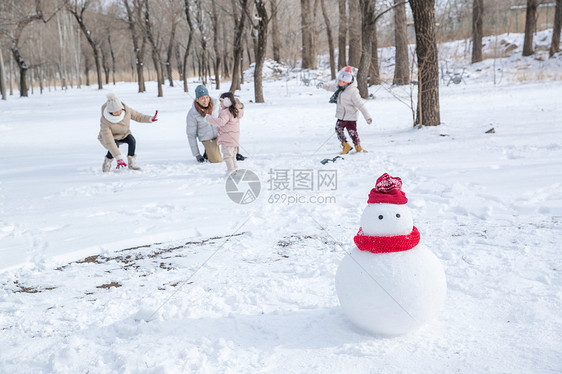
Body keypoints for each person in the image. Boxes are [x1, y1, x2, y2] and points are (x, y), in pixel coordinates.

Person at [98, 93, 158, 172]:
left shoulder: (126, 110)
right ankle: (107, 162)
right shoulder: (105, 121)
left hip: (124, 134)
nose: (118, 113)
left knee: (132, 140)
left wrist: (150, 119)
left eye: (119, 110)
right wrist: (119, 158)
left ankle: (131, 163)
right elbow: (109, 142)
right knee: (114, 146)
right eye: (115, 112)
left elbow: (138, 116)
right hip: (111, 137)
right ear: (110, 112)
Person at [321, 66, 372, 155]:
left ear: (347, 82)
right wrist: (323, 85)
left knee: (352, 132)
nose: (339, 82)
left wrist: (368, 118)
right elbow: (329, 87)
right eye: (339, 80)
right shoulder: (338, 87)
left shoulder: (353, 92)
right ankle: (345, 145)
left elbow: (361, 105)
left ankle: (358, 146)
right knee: (338, 129)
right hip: (341, 115)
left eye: (341, 81)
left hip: (351, 116)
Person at [205, 91, 244, 175]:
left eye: (221, 101)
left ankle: (231, 171)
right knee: (232, 155)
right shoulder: (234, 111)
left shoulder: (226, 112)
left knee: (228, 156)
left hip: (227, 139)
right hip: (234, 139)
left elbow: (220, 122)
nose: (220, 103)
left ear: (227, 101)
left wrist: (209, 118)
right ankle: (234, 170)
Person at [186, 85, 223, 163]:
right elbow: (191, 135)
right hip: (208, 139)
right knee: (216, 160)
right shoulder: (193, 113)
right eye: (202, 98)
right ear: (197, 99)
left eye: (207, 97)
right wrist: (197, 154)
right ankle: (208, 151)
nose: (205, 100)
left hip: (220, 134)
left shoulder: (216, 105)